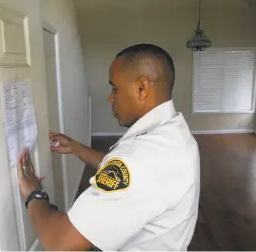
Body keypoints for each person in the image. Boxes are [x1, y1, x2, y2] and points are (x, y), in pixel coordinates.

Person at [17, 43, 200, 251]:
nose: (110, 97)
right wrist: (76, 148)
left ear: (142, 88)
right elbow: (127, 171)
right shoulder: (175, 132)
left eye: (115, 88)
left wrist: (34, 194)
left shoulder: (140, 161)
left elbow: (60, 243)